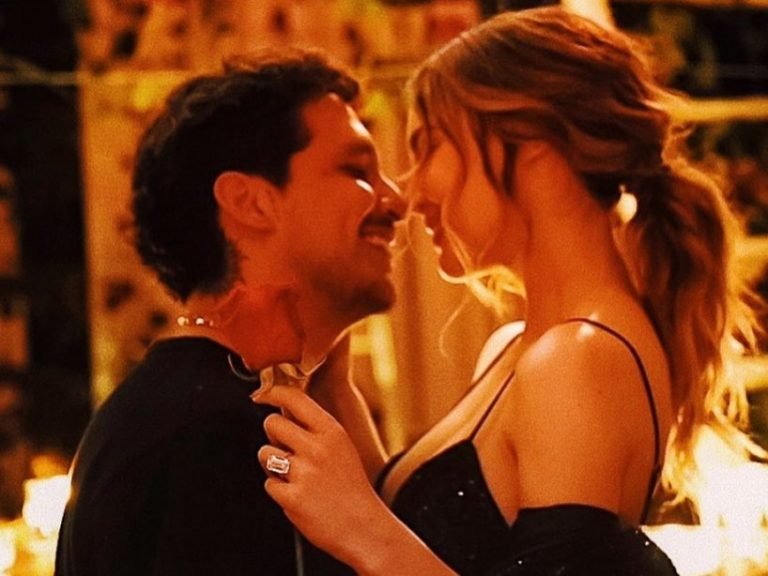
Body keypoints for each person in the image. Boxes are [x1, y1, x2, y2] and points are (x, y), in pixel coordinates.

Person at [253, 7, 764, 575]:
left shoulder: (577, 360)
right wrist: (333, 378)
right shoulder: (520, 346)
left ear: (533, 143)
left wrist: (361, 528)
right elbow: (437, 537)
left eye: (429, 147)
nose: (410, 192)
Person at [55, 47, 405, 576]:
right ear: (250, 202)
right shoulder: (209, 438)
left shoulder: (208, 407)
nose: (395, 200)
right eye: (357, 170)